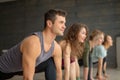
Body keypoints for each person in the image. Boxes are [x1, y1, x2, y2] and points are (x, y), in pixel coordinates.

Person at [0, 9, 67, 80]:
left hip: (19, 69)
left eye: (64, 23)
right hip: (2, 70)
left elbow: (58, 72)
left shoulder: (56, 48)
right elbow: (27, 78)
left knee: (50, 62)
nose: (64, 26)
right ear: (49, 23)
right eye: (61, 22)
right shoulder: (34, 43)